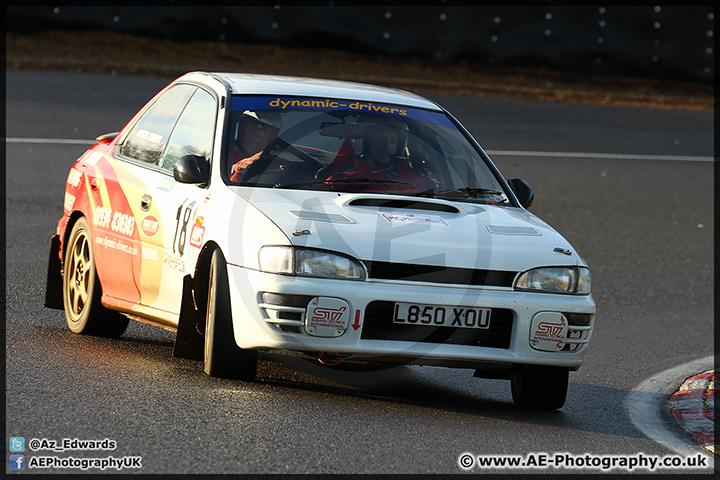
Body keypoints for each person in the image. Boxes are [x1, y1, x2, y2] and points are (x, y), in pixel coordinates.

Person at [320, 117, 429, 192]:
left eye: (393, 141)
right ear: (362, 142)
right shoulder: (339, 182)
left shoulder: (411, 185)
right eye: (380, 138)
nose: (387, 146)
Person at [229, 110, 282, 182]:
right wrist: (235, 169)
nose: (261, 135)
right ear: (241, 127)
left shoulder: (275, 163)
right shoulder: (219, 156)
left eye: (268, 129)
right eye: (254, 125)